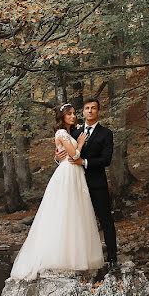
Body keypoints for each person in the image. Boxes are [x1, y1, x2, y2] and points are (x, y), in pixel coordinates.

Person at [9, 104, 104, 280]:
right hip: (68, 173)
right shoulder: (61, 133)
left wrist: (62, 154)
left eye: (74, 113)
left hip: (75, 173)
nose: (73, 116)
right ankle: (59, 257)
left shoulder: (71, 132)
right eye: (69, 114)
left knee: (76, 212)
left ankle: (77, 256)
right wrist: (80, 144)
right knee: (64, 210)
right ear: (62, 117)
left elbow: (66, 154)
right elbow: (74, 155)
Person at [56, 98, 118, 268]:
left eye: (94, 108)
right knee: (78, 220)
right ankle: (80, 257)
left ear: (98, 112)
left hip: (96, 183)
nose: (90, 111)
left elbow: (106, 160)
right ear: (83, 112)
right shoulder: (74, 133)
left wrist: (84, 162)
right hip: (75, 184)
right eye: (87, 108)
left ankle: (112, 257)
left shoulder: (106, 133)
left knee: (105, 220)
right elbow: (65, 152)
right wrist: (57, 158)